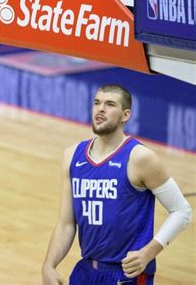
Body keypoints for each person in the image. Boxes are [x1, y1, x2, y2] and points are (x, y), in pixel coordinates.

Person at [41, 84, 192, 285]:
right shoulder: (72, 156)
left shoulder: (140, 158)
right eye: (97, 103)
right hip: (86, 270)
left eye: (110, 104)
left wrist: (149, 252)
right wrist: (49, 266)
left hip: (126, 275)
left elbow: (181, 210)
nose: (100, 109)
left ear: (125, 115)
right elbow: (67, 224)